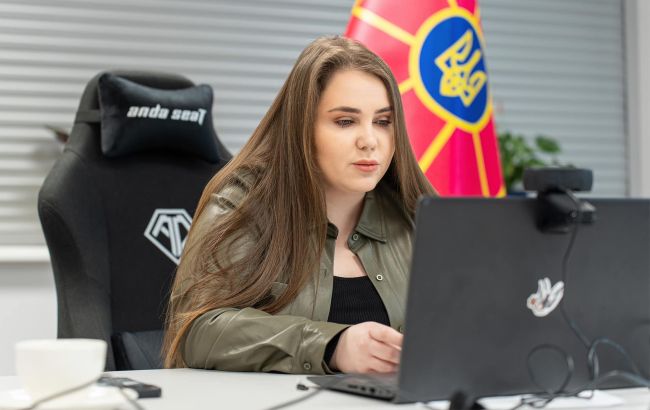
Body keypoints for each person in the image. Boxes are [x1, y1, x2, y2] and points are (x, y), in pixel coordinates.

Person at [163, 35, 434, 374]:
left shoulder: (415, 214)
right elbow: (197, 330)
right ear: (302, 127)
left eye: (383, 122)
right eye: (345, 121)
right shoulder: (244, 204)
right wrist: (331, 346)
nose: (369, 141)